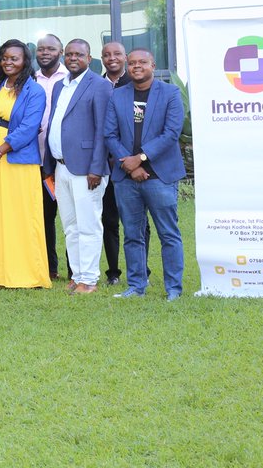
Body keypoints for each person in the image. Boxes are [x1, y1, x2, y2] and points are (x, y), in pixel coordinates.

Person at [103, 48, 186, 301]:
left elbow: (172, 133)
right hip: (127, 178)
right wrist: (130, 165)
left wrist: (140, 159)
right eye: (132, 63)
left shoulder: (170, 93)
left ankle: (173, 288)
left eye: (142, 62)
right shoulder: (118, 96)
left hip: (159, 176)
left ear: (153, 64)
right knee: (132, 234)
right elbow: (109, 134)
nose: (136, 66)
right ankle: (137, 286)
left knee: (168, 234)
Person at [0, 39, 51, 289]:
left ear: (25, 62)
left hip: (17, 158)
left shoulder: (34, 90)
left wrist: (0, 150)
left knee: (21, 216)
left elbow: (29, 128)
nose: (9, 62)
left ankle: (26, 274)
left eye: (14, 58)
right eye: (5, 58)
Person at [43, 40, 112, 295]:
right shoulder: (61, 86)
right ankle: (77, 274)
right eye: (69, 54)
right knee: (70, 226)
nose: (73, 58)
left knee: (88, 225)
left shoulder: (100, 86)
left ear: (89, 57)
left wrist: (96, 168)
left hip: (86, 170)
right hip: (61, 167)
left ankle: (90, 280)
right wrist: (49, 165)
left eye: (79, 54)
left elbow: (104, 130)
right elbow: (54, 123)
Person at [34, 34, 68, 279]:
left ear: (61, 51)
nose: (44, 52)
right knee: (43, 217)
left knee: (70, 216)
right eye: (40, 49)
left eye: (50, 48)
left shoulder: (70, 78)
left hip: (64, 160)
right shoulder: (28, 80)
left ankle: (76, 269)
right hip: (35, 160)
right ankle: (49, 267)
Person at [100, 40, 133, 285]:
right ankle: (113, 272)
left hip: (132, 163)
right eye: (106, 55)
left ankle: (140, 270)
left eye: (117, 54)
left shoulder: (136, 82)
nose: (112, 58)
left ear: (125, 57)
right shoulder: (96, 84)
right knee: (109, 220)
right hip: (104, 164)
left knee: (136, 222)